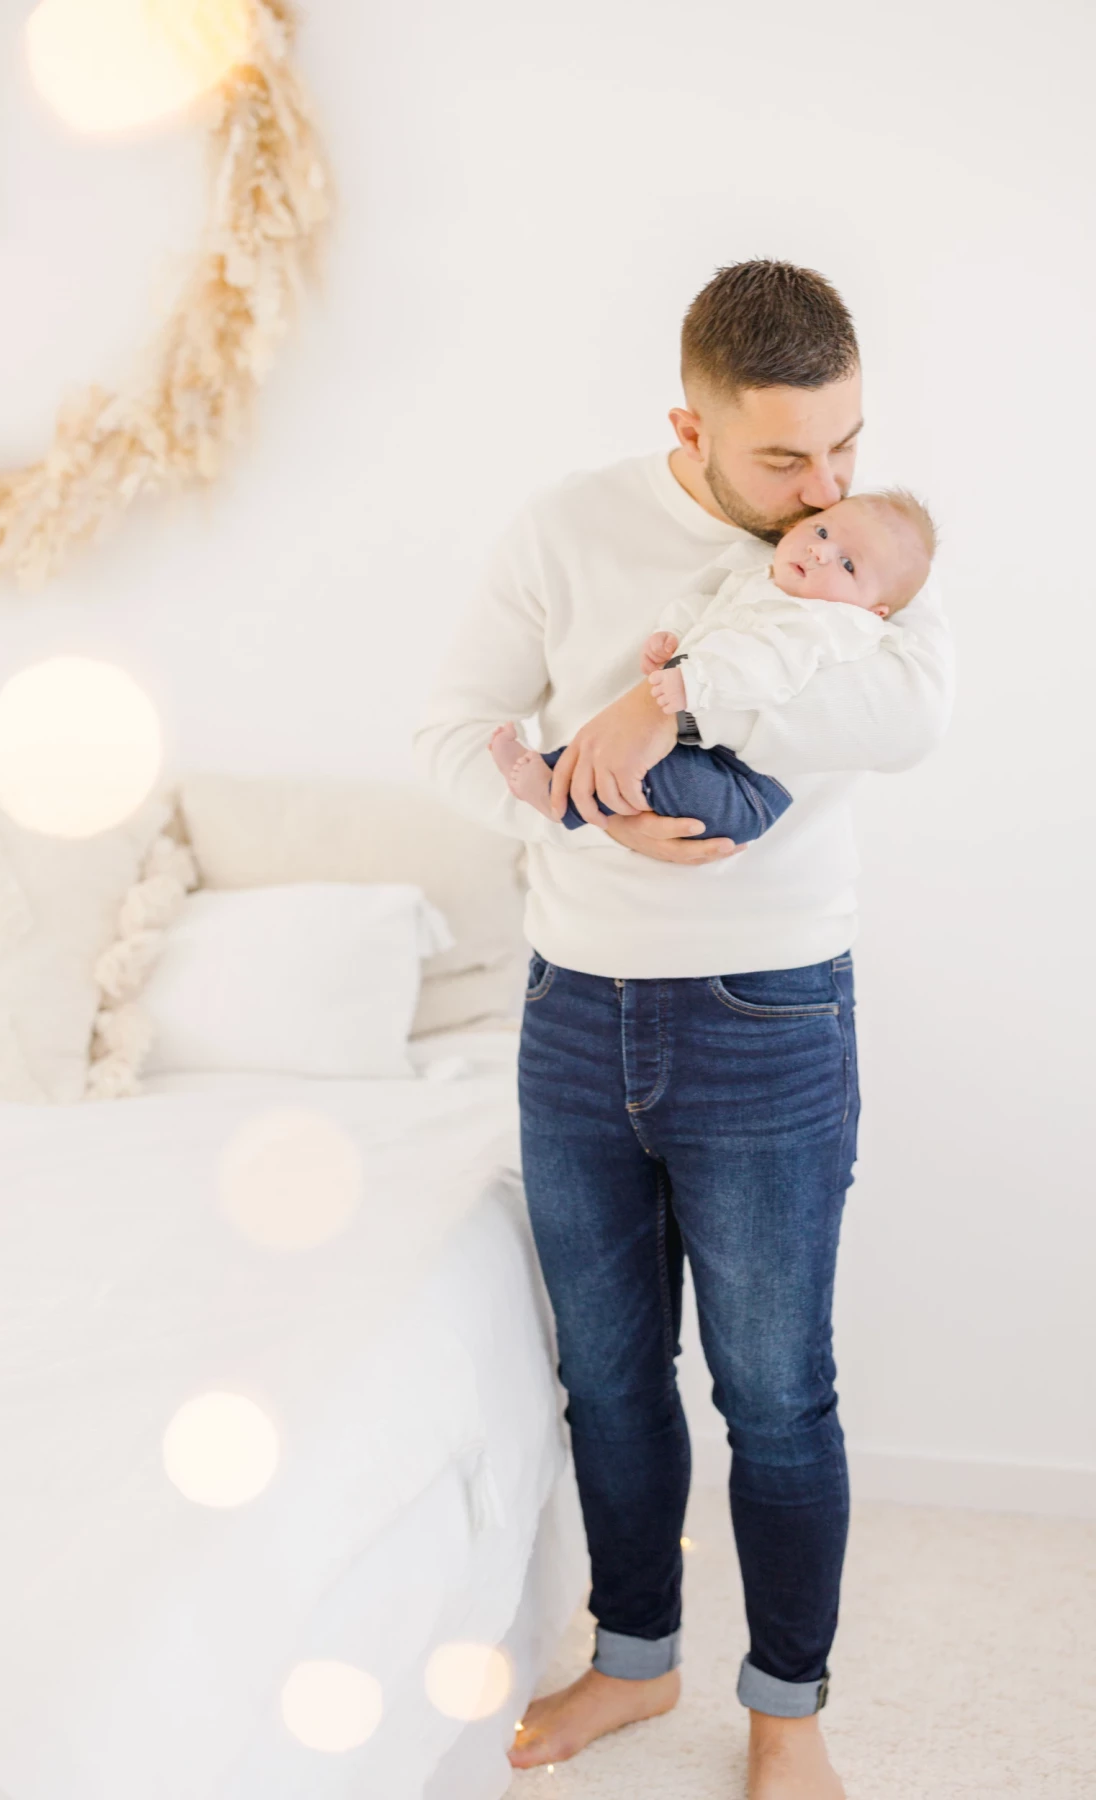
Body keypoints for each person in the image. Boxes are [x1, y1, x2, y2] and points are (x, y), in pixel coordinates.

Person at [414, 260, 952, 1800]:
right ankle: (635, 1662)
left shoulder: (864, 552)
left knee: (777, 1395)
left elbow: (914, 717)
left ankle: (789, 1709)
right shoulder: (568, 527)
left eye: (846, 444)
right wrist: (577, 826)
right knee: (610, 1376)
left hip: (773, 1018)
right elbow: (449, 735)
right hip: (574, 1015)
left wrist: (663, 705)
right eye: (785, 457)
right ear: (689, 427)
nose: (823, 486)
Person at [489, 488, 936, 840]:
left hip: (748, 790)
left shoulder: (828, 625)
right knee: (626, 756)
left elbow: (769, 670)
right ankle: (554, 774)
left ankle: (558, 796)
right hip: (706, 749)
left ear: (873, 610)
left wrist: (693, 683)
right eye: (821, 532)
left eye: (847, 564)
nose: (821, 552)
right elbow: (709, 613)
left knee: (663, 772)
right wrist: (673, 640)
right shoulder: (763, 579)